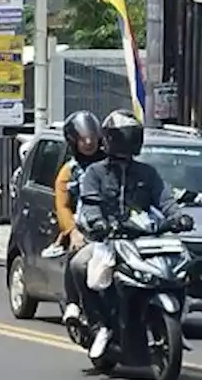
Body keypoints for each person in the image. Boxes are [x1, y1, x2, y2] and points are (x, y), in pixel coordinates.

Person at [76, 110, 181, 359]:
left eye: (131, 136)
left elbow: (165, 199)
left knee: (177, 267)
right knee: (80, 266)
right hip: (108, 238)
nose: (127, 141)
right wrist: (97, 223)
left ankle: (165, 319)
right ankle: (99, 325)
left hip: (144, 239)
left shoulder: (148, 173)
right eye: (122, 136)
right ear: (109, 139)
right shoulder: (95, 173)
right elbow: (90, 203)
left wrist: (177, 217)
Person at [52, 112, 105, 329]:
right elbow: (62, 206)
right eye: (83, 139)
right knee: (76, 256)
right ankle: (73, 302)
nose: (89, 142)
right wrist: (72, 230)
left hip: (113, 225)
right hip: (83, 226)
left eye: (92, 137)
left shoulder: (110, 164)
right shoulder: (69, 171)